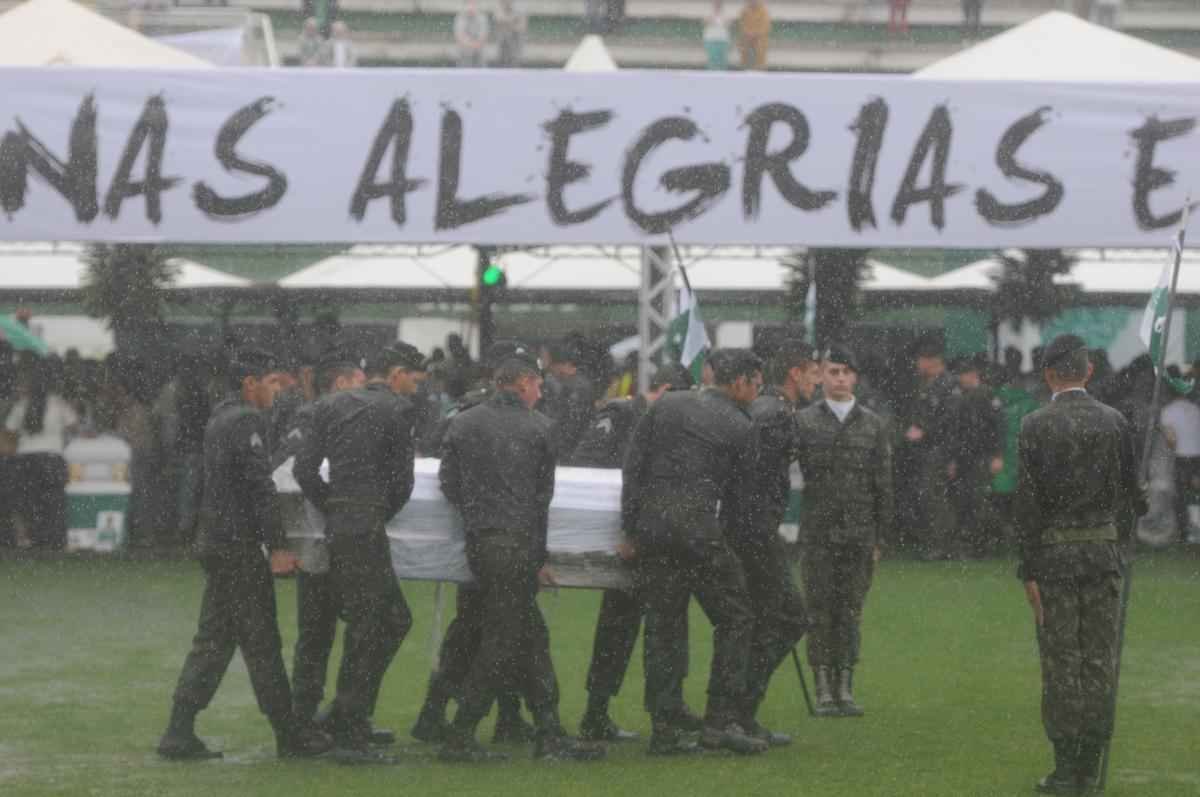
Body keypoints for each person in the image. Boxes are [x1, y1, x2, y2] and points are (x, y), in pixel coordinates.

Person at [157, 348, 332, 762]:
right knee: (261, 642)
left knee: (216, 639)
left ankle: (179, 730)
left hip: (217, 542)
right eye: (272, 383)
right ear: (250, 383)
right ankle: (288, 735)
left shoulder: (219, 418)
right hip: (237, 548)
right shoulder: (246, 420)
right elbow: (259, 489)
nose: (277, 392)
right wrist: (281, 546)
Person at [437, 343, 604, 763]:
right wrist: (538, 556)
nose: (542, 394)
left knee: (530, 636)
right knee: (504, 642)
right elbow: (541, 499)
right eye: (539, 386)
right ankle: (461, 732)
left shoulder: (463, 423)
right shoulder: (541, 428)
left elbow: (448, 486)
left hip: (482, 544)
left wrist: (480, 512)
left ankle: (549, 730)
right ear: (525, 383)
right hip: (518, 546)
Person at [1015, 335, 1147, 794]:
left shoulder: (1034, 425)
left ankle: (1065, 767)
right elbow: (1136, 501)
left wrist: (1027, 569)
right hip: (1103, 556)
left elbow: (1027, 507)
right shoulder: (1115, 422)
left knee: (1061, 662)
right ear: (1088, 371)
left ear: (1049, 373)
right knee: (1098, 661)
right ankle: (1090, 765)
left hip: (1054, 560)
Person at [622, 348, 769, 756]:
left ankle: (664, 726)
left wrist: (630, 527)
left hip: (652, 529)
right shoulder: (742, 425)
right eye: (757, 384)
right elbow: (741, 503)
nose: (757, 393)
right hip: (699, 533)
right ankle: (720, 721)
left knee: (664, 625)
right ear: (739, 381)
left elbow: (633, 466)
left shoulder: (667, 404)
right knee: (737, 617)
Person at [294, 344, 421, 763]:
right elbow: (403, 482)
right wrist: (375, 510)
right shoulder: (398, 412)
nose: (415, 387)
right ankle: (349, 728)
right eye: (414, 378)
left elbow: (303, 470)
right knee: (375, 625)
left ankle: (343, 716)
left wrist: (333, 503)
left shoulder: (330, 406)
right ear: (397, 374)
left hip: (340, 525)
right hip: (366, 526)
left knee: (377, 622)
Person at [411, 341, 540, 747]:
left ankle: (457, 715)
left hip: (478, 539)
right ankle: (482, 719)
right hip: (498, 539)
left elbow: (440, 462)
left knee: (478, 631)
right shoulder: (492, 415)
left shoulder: (467, 412)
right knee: (497, 631)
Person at [574, 363, 699, 743]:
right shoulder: (621, 414)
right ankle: (597, 712)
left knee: (651, 627)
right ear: (660, 390)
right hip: (621, 537)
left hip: (655, 538)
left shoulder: (671, 423)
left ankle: (660, 709)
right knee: (619, 625)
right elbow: (585, 464)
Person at [795, 346, 892, 718]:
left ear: (855, 378)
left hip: (859, 532)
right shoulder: (803, 422)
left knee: (850, 610)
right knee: (819, 610)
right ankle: (822, 686)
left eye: (845, 372)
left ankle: (845, 685)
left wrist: (881, 537)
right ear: (821, 375)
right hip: (818, 531)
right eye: (832, 371)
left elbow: (883, 484)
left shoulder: (873, 424)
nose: (839, 378)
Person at [733, 340, 817, 742]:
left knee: (766, 618)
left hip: (751, 530)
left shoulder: (770, 410)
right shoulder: (774, 414)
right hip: (753, 533)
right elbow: (747, 473)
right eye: (814, 370)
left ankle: (740, 713)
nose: (818, 379)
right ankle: (739, 709)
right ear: (796, 373)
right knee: (789, 615)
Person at [280, 347, 366, 735]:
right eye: (358, 384)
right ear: (342, 383)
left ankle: (343, 715)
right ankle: (304, 714)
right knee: (317, 630)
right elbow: (295, 472)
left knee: (350, 628)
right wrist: (333, 506)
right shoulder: (311, 417)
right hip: (317, 538)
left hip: (336, 535)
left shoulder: (332, 417)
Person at [3, 357, 77, 549]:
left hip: (26, 459)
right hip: (52, 458)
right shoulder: (58, 404)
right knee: (54, 502)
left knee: (31, 502)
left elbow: (9, 432)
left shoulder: (21, 405)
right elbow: (73, 427)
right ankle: (55, 541)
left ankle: (35, 541)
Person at [898, 339, 958, 559]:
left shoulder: (948, 385)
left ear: (931, 361)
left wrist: (926, 431)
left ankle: (942, 545)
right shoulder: (926, 383)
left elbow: (951, 421)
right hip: (925, 450)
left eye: (920, 360)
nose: (917, 364)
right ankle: (935, 541)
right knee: (926, 495)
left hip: (941, 450)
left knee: (934, 495)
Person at [949, 353, 1005, 557]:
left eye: (963, 374)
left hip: (982, 456)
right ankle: (976, 543)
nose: (960, 378)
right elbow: (958, 431)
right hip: (966, 456)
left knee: (979, 500)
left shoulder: (987, 394)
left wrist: (997, 455)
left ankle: (986, 542)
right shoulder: (960, 397)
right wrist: (955, 459)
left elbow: (997, 426)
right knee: (968, 500)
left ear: (973, 375)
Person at [1160, 376, 1200, 543]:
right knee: (1196, 494)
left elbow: (1171, 440)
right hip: (1197, 457)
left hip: (1181, 458)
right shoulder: (1195, 409)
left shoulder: (1167, 411)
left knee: (1181, 496)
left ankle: (1185, 532)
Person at [542, 340, 595, 462]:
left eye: (552, 367)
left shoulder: (577, 387)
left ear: (562, 364)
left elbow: (573, 424)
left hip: (572, 451)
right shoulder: (574, 384)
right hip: (573, 449)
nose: (551, 372)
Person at [454, 0, 490, 68]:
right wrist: (470, 44)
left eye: (473, 4)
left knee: (481, 53)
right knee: (464, 53)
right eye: (469, 4)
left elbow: (483, 35)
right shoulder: (460, 18)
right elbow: (460, 36)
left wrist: (476, 44)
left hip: (479, 49)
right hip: (465, 49)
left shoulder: (482, 18)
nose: (471, 7)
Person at [737, 0, 770, 71]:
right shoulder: (744, 11)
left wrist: (756, 34)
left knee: (760, 46)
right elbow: (741, 25)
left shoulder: (763, 11)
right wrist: (749, 34)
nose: (753, 2)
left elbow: (765, 27)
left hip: (759, 39)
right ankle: (745, 68)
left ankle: (760, 69)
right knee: (744, 46)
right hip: (747, 38)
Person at [493, 0, 527, 67]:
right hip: (503, 40)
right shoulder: (498, 7)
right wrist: (513, 21)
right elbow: (498, 21)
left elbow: (522, 26)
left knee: (514, 36)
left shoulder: (520, 8)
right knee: (504, 35)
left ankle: (515, 63)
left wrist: (508, 24)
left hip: (515, 39)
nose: (507, 2)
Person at [702, 0, 732, 70]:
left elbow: (728, 24)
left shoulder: (726, 14)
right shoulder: (708, 12)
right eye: (716, 3)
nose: (717, 5)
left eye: (719, 4)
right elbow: (704, 22)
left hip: (723, 39)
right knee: (712, 59)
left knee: (722, 60)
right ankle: (711, 74)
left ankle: (722, 75)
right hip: (711, 39)